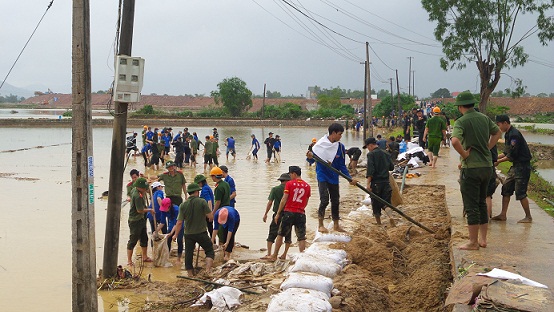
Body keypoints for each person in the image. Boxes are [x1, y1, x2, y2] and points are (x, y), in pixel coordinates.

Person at [451, 91, 501, 250]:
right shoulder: (484, 118)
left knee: (471, 205)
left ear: (460, 107)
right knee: (481, 202)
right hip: (487, 167)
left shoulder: (461, 122)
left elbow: (454, 141)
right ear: (473, 104)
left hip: (471, 168)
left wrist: (464, 154)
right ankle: (483, 239)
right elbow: (498, 132)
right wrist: (488, 147)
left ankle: (473, 242)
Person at [310, 123, 357, 233]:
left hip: (334, 177)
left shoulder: (340, 147)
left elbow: (341, 165)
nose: (341, 136)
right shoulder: (319, 145)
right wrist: (310, 156)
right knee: (324, 199)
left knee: (335, 200)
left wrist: (349, 178)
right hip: (322, 176)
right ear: (333, 133)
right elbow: (311, 161)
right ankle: (320, 224)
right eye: (340, 134)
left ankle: (336, 224)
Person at [491, 114, 533, 223]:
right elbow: (506, 152)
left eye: (499, 124)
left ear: (505, 123)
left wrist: (498, 162)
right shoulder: (508, 134)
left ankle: (528, 216)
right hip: (515, 167)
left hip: (522, 167)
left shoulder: (514, 135)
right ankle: (503, 214)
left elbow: (512, 155)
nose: (498, 127)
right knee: (506, 188)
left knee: (520, 193)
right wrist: (494, 158)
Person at [169, 183, 214, 276]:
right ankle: (208, 270)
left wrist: (176, 235)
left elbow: (179, 222)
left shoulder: (183, 205)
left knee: (188, 254)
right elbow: (210, 217)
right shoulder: (202, 202)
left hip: (188, 234)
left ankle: (190, 274)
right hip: (201, 232)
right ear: (197, 192)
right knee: (209, 250)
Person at [269, 166, 311, 261]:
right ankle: (302, 258)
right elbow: (306, 201)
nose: (290, 176)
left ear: (294, 174)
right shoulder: (307, 186)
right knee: (301, 237)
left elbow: (284, 199)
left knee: (280, 234)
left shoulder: (290, 184)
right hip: (301, 213)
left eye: (290, 174)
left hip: (289, 212)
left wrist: (278, 213)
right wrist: (300, 208)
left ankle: (275, 255)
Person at [364, 137, 395, 226]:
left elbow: (370, 170)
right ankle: (390, 217)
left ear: (370, 145)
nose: (368, 150)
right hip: (386, 182)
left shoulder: (371, 155)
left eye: (367, 147)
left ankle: (379, 224)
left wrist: (368, 184)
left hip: (376, 183)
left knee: (376, 204)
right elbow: (391, 167)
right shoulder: (386, 153)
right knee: (386, 203)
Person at [261, 173, 292, 260]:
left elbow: (270, 202)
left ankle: (269, 253)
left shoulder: (275, 189)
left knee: (272, 232)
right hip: (288, 214)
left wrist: (265, 213)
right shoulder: (290, 189)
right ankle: (284, 254)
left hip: (277, 215)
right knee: (287, 234)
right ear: (287, 181)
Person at [126, 177, 154, 266]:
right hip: (135, 220)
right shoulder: (137, 196)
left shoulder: (136, 189)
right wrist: (150, 210)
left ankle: (145, 256)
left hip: (141, 219)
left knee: (144, 238)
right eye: (144, 188)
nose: (146, 189)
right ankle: (129, 261)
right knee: (133, 240)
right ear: (140, 188)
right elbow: (140, 210)